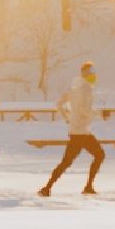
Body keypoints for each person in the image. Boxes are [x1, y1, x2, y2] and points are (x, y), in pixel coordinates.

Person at [39, 61, 104, 196]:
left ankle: (87, 186)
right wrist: (97, 113)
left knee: (97, 155)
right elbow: (84, 109)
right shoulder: (86, 89)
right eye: (91, 72)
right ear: (85, 75)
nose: (94, 75)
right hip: (80, 132)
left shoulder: (73, 88)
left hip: (80, 131)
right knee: (68, 162)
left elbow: (59, 104)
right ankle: (47, 188)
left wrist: (68, 118)